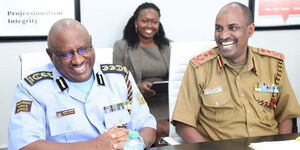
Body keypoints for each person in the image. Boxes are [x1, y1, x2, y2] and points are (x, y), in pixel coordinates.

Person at [8, 18, 156, 150]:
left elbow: (147, 125)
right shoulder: (31, 89)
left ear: (91, 43)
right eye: (66, 54)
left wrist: (137, 142)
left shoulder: (120, 78)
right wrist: (94, 146)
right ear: (50, 55)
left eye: (83, 49)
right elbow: (25, 145)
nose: (78, 60)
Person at [172, 2, 300, 143]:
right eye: (218, 29)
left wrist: (279, 146)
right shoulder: (199, 68)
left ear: (250, 30)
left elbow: (286, 116)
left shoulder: (273, 65)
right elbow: (183, 124)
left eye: (233, 28)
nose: (223, 35)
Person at [113, 2, 170, 145]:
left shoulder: (167, 46)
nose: (149, 25)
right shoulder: (122, 46)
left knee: (171, 127)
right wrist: (138, 87)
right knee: (160, 128)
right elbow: (116, 80)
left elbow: (175, 76)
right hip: (138, 102)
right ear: (135, 22)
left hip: (166, 101)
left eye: (154, 22)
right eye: (144, 21)